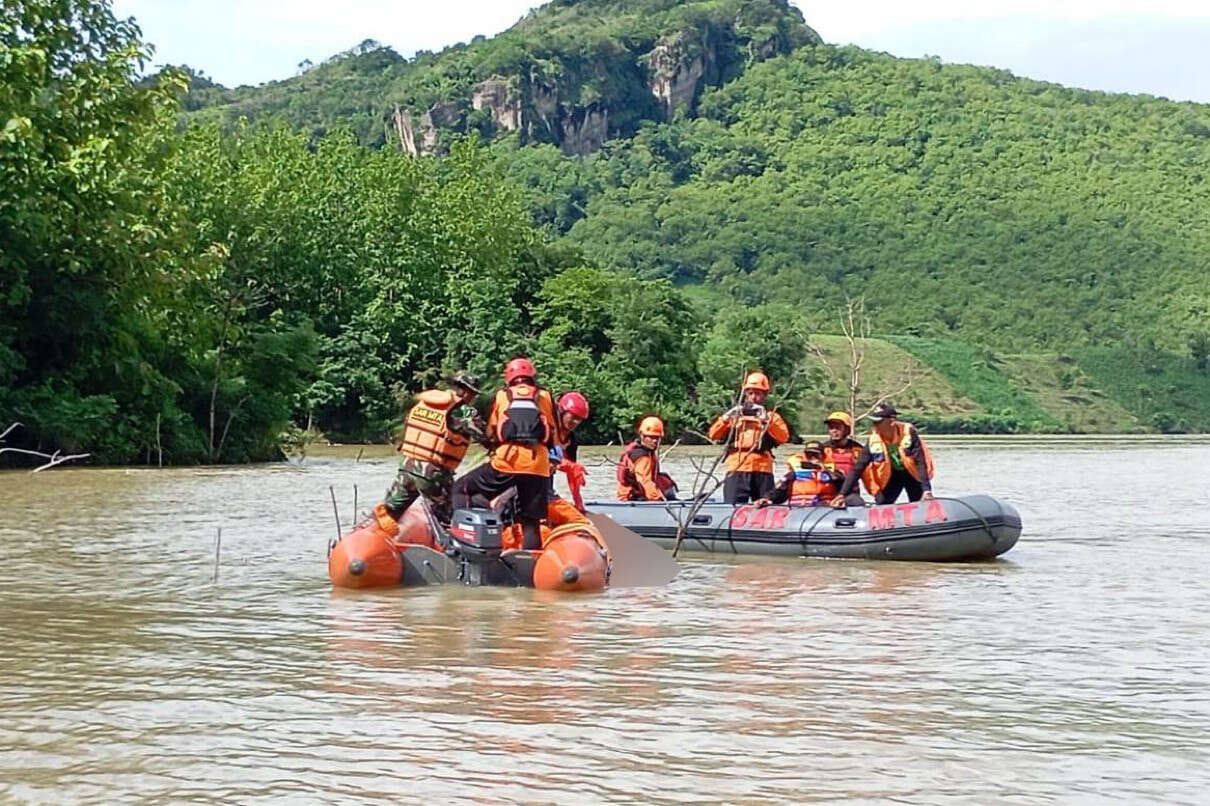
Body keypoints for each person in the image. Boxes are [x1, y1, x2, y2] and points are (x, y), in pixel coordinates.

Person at [453, 357, 559, 550]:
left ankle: (465, 542)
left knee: (462, 488)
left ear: (509, 377)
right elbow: (554, 435)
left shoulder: (502, 395)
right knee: (531, 522)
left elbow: (491, 432)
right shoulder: (545, 396)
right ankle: (531, 567)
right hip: (538, 465)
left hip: (507, 462)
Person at [375, 372, 486, 532]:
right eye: (473, 394)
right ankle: (449, 546)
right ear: (466, 391)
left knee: (393, 510)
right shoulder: (462, 411)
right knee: (451, 517)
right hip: (432, 474)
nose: (473, 398)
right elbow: (482, 433)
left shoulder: (423, 404)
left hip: (407, 467)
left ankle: (378, 533)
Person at [706, 371, 791, 504]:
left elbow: (784, 437)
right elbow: (713, 435)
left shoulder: (772, 417)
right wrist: (726, 418)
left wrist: (766, 420)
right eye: (750, 393)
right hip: (737, 467)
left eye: (758, 393)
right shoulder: (734, 417)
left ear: (764, 395)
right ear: (745, 394)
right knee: (732, 507)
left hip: (763, 468)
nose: (753, 397)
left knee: (765, 507)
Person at [832, 403, 935, 506]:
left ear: (892, 422)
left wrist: (926, 489)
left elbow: (920, 462)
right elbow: (858, 469)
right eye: (873, 422)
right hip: (892, 476)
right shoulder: (874, 439)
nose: (875, 425)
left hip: (913, 475)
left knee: (920, 505)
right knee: (882, 504)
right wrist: (842, 494)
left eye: (879, 422)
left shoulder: (909, 433)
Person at [546, 391, 590, 526]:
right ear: (562, 411)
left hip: (547, 486)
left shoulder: (571, 440)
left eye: (580, 419)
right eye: (573, 417)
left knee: (576, 516)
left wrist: (579, 503)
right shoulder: (547, 430)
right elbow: (541, 457)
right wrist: (568, 465)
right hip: (533, 483)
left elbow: (573, 475)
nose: (575, 422)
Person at [754, 440, 842, 507]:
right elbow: (779, 490)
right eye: (809, 455)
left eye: (816, 455)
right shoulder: (794, 474)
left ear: (823, 456)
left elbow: (844, 486)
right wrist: (767, 498)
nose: (812, 458)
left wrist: (826, 471)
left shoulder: (833, 473)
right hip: (799, 510)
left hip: (824, 510)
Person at [616, 416, 677, 501]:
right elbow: (644, 481)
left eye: (657, 437)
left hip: (640, 496)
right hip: (632, 498)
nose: (655, 441)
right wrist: (658, 500)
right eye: (651, 437)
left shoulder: (648, 452)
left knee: (664, 482)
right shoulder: (641, 456)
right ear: (642, 436)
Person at [820, 410, 867, 507]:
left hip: (850, 494)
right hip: (827, 493)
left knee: (857, 502)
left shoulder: (858, 450)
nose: (834, 430)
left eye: (837, 427)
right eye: (831, 427)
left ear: (847, 430)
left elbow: (869, 476)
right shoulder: (822, 449)